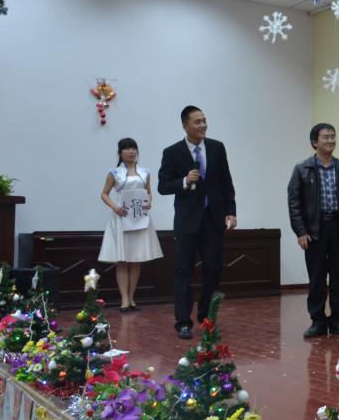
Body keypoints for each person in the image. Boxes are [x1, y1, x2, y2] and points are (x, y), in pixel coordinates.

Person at [158, 106, 236, 340]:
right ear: (185, 125)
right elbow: (163, 186)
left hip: (213, 219)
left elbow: (226, 182)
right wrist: (184, 181)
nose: (203, 125)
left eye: (204, 121)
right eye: (197, 122)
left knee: (213, 268)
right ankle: (183, 322)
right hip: (187, 222)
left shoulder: (217, 147)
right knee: (184, 271)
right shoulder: (172, 152)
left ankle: (206, 318)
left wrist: (231, 211)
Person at [287, 123, 339, 338]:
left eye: (333, 136)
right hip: (314, 230)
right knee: (317, 277)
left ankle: (338, 320)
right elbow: (294, 203)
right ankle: (318, 321)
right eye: (326, 137)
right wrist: (300, 231)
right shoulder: (302, 169)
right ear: (314, 142)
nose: (330, 140)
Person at [97, 138, 163, 312]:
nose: (131, 151)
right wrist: (115, 207)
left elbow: (149, 193)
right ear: (120, 153)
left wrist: (149, 202)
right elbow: (104, 194)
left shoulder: (145, 172)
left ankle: (132, 297)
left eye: (134, 148)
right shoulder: (114, 173)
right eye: (127, 149)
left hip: (140, 218)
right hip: (121, 218)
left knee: (136, 260)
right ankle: (124, 300)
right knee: (122, 260)